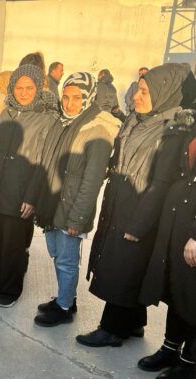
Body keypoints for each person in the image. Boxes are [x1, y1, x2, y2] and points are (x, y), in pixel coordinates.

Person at [78, 64, 193, 346]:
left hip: (140, 209)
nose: (136, 97)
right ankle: (134, 323)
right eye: (138, 90)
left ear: (163, 94)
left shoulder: (171, 131)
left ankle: (112, 329)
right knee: (127, 266)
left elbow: (160, 183)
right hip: (121, 202)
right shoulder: (138, 120)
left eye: (144, 92)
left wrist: (140, 224)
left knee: (123, 268)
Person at [33, 72, 121, 327]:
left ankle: (63, 308)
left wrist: (78, 218)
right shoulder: (64, 123)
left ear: (89, 98)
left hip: (71, 208)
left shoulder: (98, 130)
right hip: (53, 203)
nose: (70, 103)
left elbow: (92, 182)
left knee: (67, 260)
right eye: (66, 97)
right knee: (56, 254)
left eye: (77, 98)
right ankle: (66, 298)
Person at [0, 64, 58, 307]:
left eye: (29, 88)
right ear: (12, 87)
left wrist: (32, 197)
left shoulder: (46, 119)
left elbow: (43, 162)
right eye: (19, 87)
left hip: (21, 192)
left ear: (38, 88)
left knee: (13, 245)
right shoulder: (6, 113)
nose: (24, 93)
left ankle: (10, 288)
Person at [138, 108, 196, 379]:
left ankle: (190, 362)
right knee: (177, 289)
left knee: (193, 296)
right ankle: (171, 348)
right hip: (179, 218)